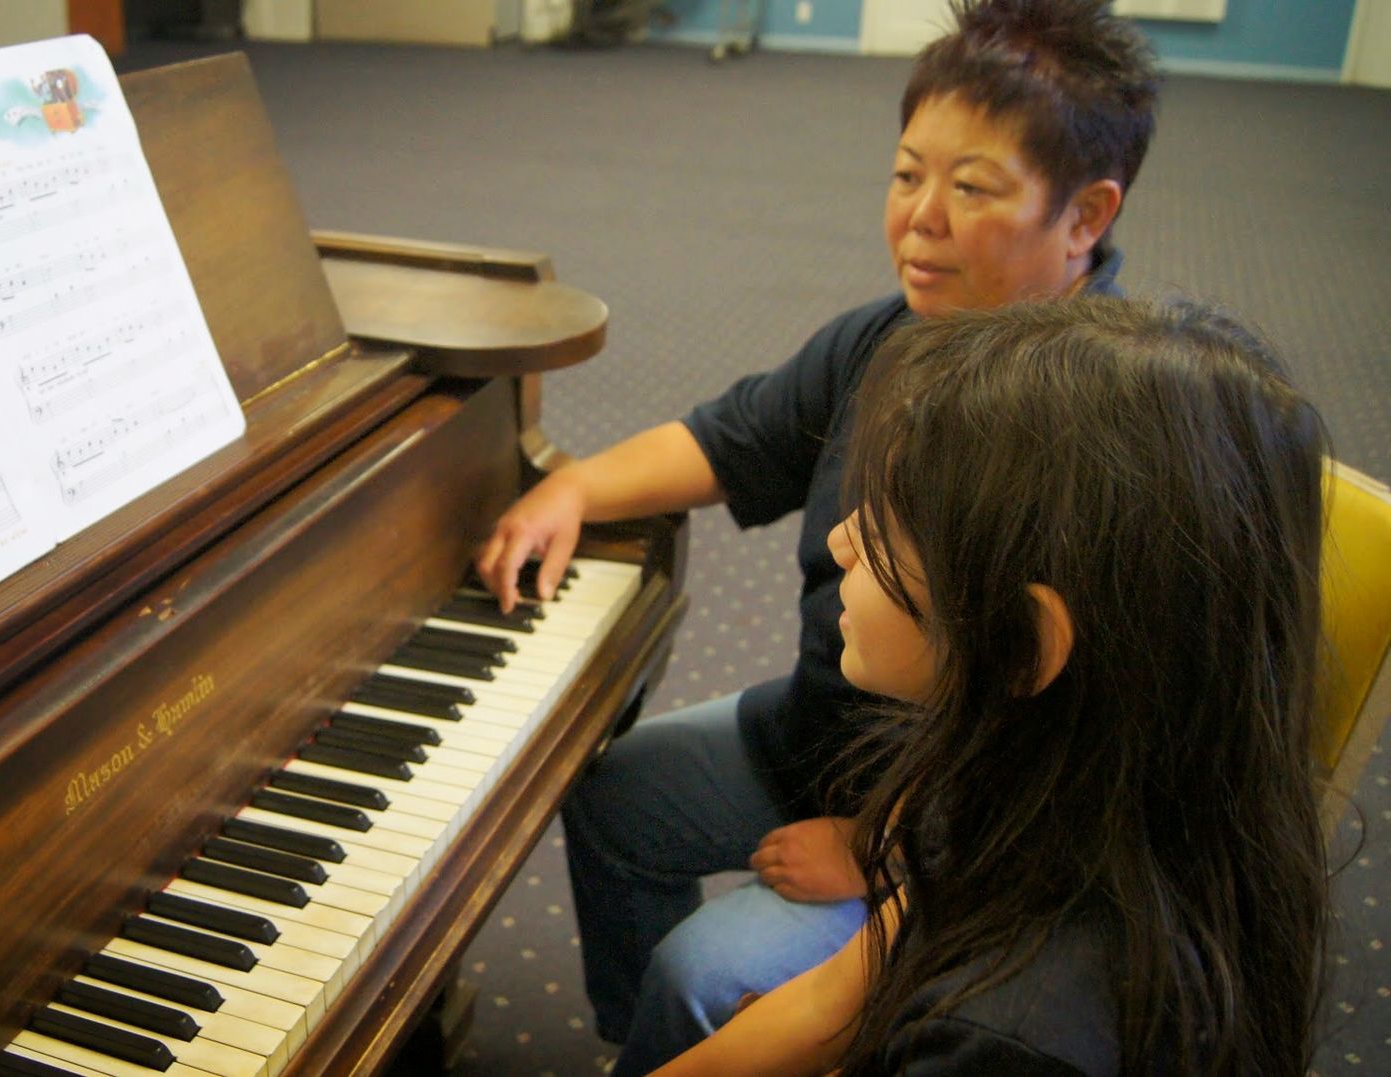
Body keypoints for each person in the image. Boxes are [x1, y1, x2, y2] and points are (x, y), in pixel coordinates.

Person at [472, 1, 1161, 1070]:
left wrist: (887, 854)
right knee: (611, 801)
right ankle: (644, 1051)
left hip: (982, 840)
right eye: (905, 174)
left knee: (700, 977)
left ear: (1086, 216)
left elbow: (1097, 762)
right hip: (819, 740)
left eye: (971, 187)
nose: (918, 220)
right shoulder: (892, 336)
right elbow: (734, 439)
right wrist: (572, 489)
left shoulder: (1106, 433)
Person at [651, 296, 1330, 1075]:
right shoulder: (1061, 789)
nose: (841, 542)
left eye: (888, 531)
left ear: (1021, 641)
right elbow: (835, 996)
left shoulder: (1007, 1035)